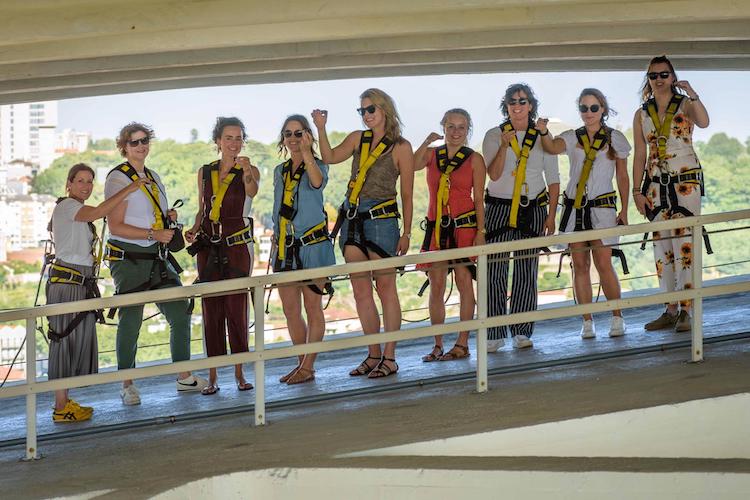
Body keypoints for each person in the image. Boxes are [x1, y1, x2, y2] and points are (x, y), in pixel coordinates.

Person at [313, 88, 414, 378]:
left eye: (371, 110)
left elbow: (407, 194)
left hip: (383, 220)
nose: (366, 115)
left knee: (386, 289)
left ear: (385, 110)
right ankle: (373, 353)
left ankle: (390, 357)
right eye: (362, 111)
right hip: (353, 218)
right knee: (360, 291)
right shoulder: (359, 139)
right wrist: (321, 128)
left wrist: (407, 232)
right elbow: (330, 156)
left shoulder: (401, 147)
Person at [105, 122, 208, 405]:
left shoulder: (153, 177)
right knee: (131, 320)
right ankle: (126, 384)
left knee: (179, 312)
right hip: (130, 258)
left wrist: (167, 219)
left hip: (156, 256)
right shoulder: (118, 179)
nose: (141, 146)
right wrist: (153, 233)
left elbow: (149, 216)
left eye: (144, 140)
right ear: (124, 147)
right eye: (134, 142)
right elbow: (115, 226)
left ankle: (183, 375)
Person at [47, 163, 147, 422]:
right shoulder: (67, 206)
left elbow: (99, 213)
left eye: (90, 181)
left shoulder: (76, 210)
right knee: (64, 339)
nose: (86, 186)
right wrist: (131, 187)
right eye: (80, 181)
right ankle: (60, 406)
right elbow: (99, 211)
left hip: (79, 282)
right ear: (69, 184)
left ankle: (65, 401)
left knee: (72, 339)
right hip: (68, 282)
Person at [537, 89, 631, 339]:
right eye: (583, 108)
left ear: (603, 109)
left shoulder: (615, 139)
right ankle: (587, 321)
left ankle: (617, 316)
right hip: (574, 208)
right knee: (579, 265)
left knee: (603, 263)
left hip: (602, 207)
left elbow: (622, 175)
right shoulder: (571, 137)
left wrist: (625, 208)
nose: (588, 113)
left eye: (593, 108)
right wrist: (544, 131)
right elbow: (552, 147)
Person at [633, 55, 709, 332]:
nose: (658, 80)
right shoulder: (642, 113)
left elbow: (704, 122)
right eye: (653, 75)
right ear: (648, 79)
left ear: (672, 77)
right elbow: (640, 153)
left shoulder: (686, 104)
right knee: (662, 248)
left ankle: (687, 309)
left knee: (685, 246)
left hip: (685, 182)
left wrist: (692, 92)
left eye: (664, 74)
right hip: (655, 185)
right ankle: (670, 308)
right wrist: (636, 191)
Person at [482, 83, 560, 351]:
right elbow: (492, 174)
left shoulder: (542, 136)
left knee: (527, 270)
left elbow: (553, 179)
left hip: (533, 207)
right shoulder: (494, 135)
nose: (517, 106)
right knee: (495, 269)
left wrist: (551, 216)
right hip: (499, 207)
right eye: (512, 102)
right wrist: (504, 147)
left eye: (522, 101)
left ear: (530, 105)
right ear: (506, 106)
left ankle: (522, 330)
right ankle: (494, 331)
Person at [185, 117, 259, 395]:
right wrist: (193, 229)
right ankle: (213, 376)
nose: (234, 143)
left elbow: (252, 190)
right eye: (228, 138)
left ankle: (240, 373)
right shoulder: (205, 172)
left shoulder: (249, 169)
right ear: (218, 141)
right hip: (207, 247)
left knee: (237, 308)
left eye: (238, 138)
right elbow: (202, 208)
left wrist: (248, 170)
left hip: (237, 245)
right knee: (211, 310)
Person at [413, 109, 486, 362]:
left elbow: (479, 199)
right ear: (443, 127)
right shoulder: (432, 155)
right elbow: (411, 166)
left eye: (461, 127)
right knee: (437, 286)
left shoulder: (474, 159)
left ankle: (462, 343)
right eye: (451, 126)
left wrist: (481, 231)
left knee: (465, 284)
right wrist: (425, 142)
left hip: (465, 227)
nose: (456, 132)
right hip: (436, 228)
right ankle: (437, 344)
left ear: (468, 130)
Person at [270, 115, 336, 385]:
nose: (293, 139)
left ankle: (308, 366)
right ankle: (302, 364)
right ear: (283, 139)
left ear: (307, 136)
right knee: (290, 310)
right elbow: (277, 208)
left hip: (313, 246)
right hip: (286, 248)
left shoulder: (317, 165)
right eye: (288, 134)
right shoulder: (279, 171)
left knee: (313, 307)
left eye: (299, 134)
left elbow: (317, 182)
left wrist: (308, 151)